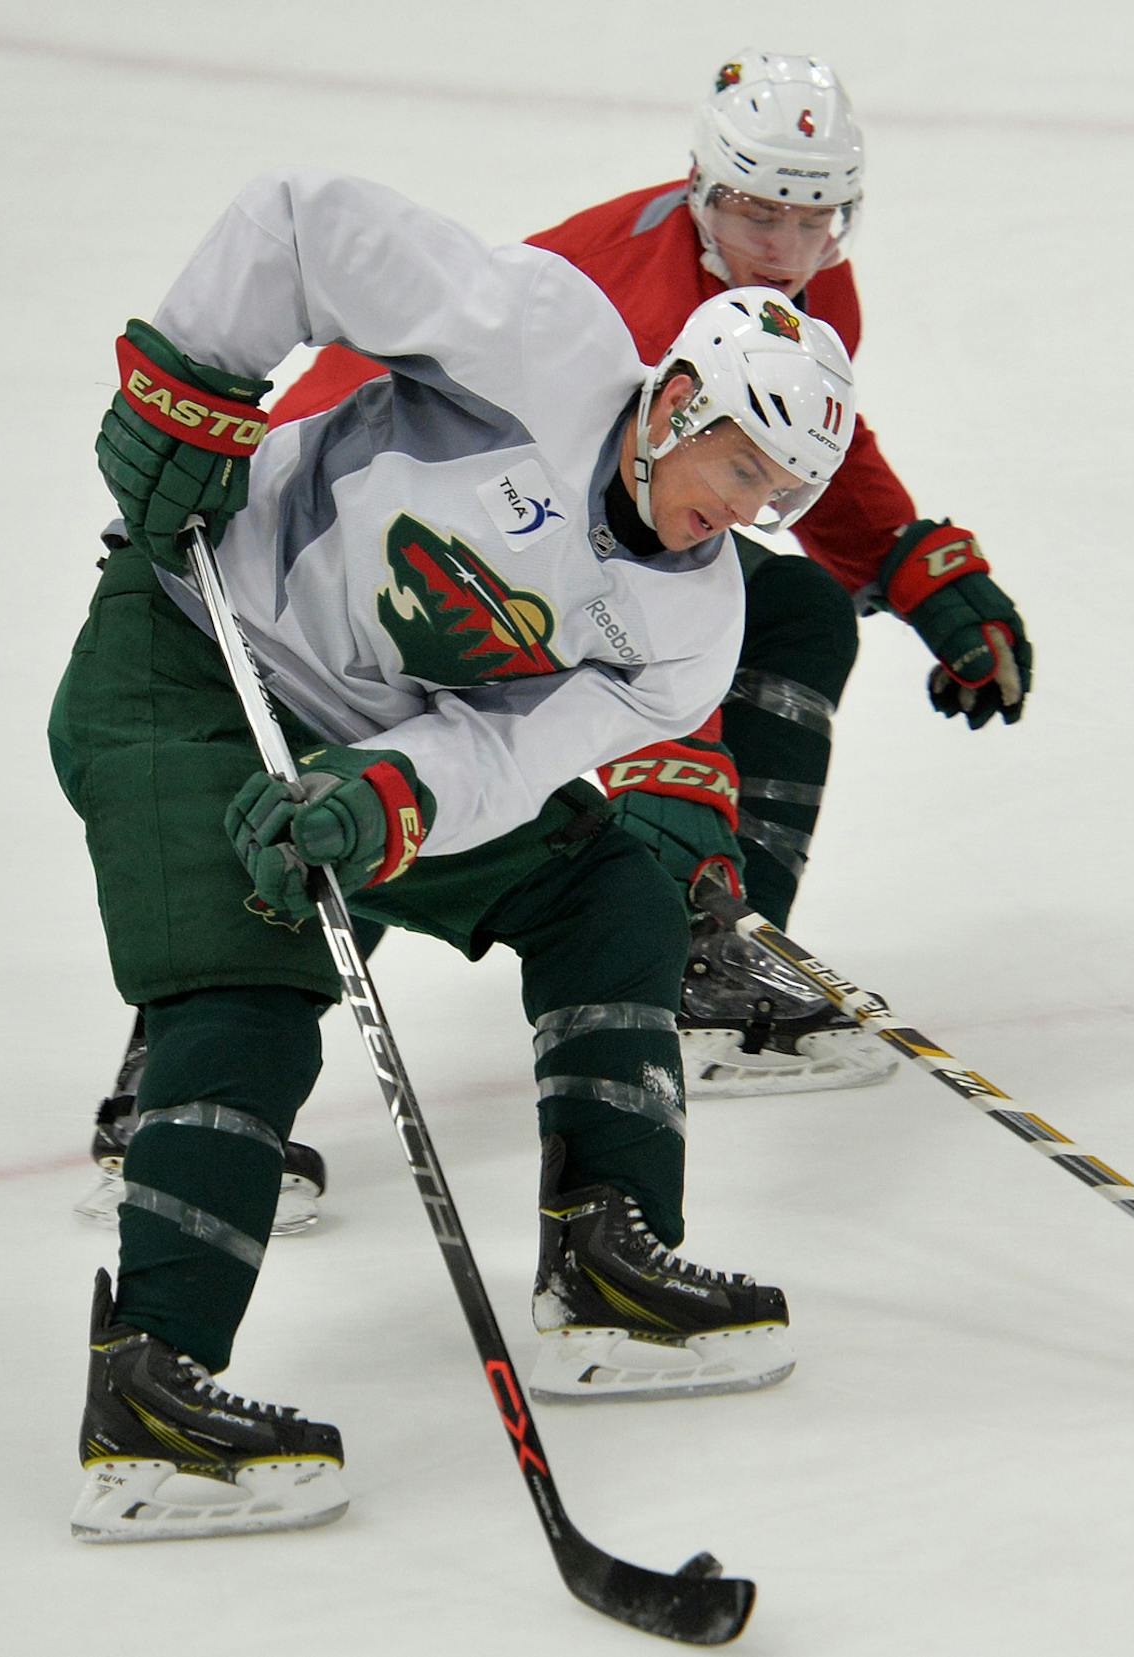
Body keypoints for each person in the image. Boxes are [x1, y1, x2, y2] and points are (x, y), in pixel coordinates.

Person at [70, 48, 1036, 1230]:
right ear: (700, 185)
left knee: (787, 611)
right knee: (368, 750)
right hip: (369, 499)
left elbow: (766, 472)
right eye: (756, 210)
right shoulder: (620, 319)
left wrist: (912, 566)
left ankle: (712, 945)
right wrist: (666, 770)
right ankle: (175, 1061)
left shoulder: (805, 302)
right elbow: (589, 585)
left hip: (505, 552)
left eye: (813, 219)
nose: (784, 246)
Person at [56, 166, 858, 1541]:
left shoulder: (692, 628)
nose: (744, 514)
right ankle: (152, 1397)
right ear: (676, 406)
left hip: (376, 735)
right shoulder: (542, 339)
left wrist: (383, 799)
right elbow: (302, 225)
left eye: (777, 495)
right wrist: (192, 384)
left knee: (606, 886)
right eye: (738, 471)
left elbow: (511, 756)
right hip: (189, 657)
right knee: (250, 975)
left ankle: (608, 1255)